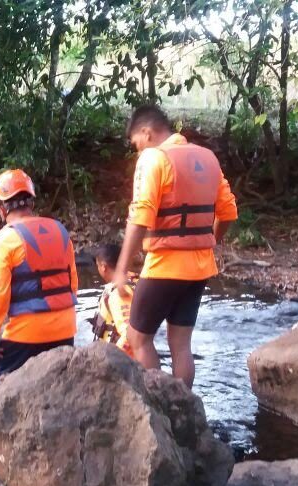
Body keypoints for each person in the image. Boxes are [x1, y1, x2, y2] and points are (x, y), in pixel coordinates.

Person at [113, 105, 238, 389]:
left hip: (164, 265)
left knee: (138, 338)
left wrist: (121, 268)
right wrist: (210, 242)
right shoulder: (207, 157)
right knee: (181, 344)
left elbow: (141, 216)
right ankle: (184, 407)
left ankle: (159, 403)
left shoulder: (153, 159)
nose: (137, 149)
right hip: (200, 267)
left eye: (136, 143)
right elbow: (229, 211)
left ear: (147, 132)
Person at [0, 169, 78, 383]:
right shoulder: (61, 231)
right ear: (31, 203)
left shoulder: (3, 240)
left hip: (26, 333)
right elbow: (73, 285)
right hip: (66, 329)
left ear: (1, 207)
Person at [89, 243, 135, 357]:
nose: (98, 269)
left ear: (104, 267)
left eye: (98, 265)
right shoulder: (134, 282)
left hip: (121, 364)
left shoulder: (118, 294)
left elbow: (129, 336)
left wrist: (113, 359)